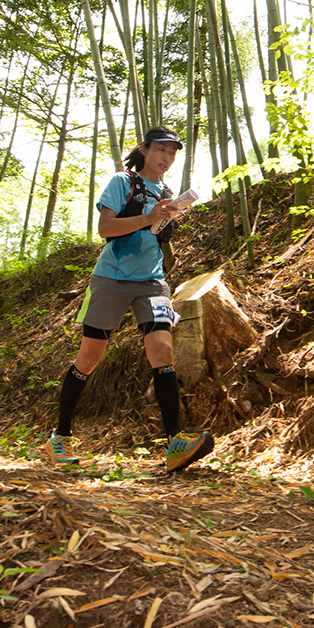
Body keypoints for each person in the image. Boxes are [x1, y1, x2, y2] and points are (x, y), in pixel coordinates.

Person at [42, 126, 214, 472]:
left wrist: (168, 216)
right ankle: (60, 437)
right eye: (161, 151)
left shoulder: (165, 191)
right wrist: (150, 217)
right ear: (146, 150)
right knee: (89, 358)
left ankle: (175, 443)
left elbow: (155, 238)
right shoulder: (123, 182)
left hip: (152, 282)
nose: (166, 159)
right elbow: (105, 230)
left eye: (172, 154)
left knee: (163, 352)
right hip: (111, 279)